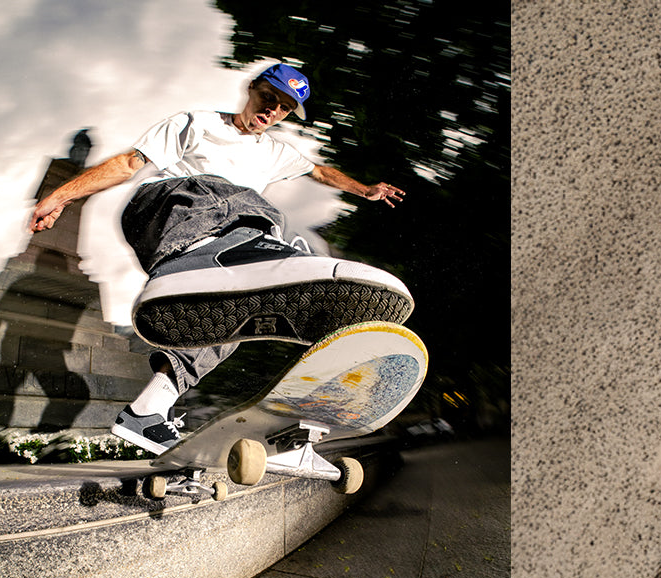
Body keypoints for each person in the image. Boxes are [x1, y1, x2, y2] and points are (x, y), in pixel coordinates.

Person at [28, 63, 413, 455]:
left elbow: (321, 172)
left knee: (229, 320)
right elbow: (129, 163)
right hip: (164, 210)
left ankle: (148, 411)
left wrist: (364, 190)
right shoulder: (198, 123)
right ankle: (251, 251)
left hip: (205, 240)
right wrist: (60, 196)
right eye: (268, 98)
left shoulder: (277, 152)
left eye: (282, 108)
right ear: (252, 88)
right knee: (244, 201)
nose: (271, 111)